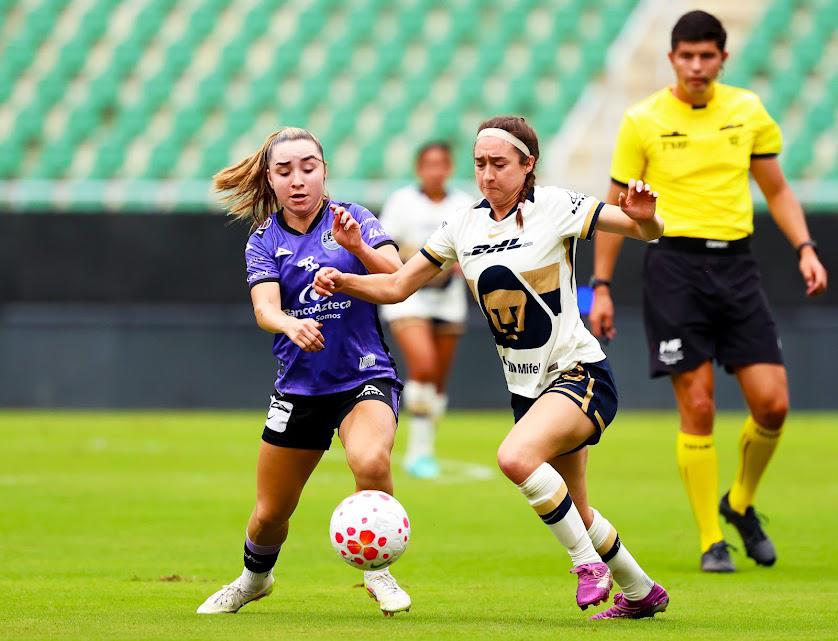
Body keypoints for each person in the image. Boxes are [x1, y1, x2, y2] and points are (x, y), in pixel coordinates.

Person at [314, 116, 670, 620]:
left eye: (499, 164)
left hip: (579, 374)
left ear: (528, 166)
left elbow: (644, 229)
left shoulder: (556, 206)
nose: (486, 174)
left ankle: (588, 565)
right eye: (479, 163)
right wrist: (349, 271)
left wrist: (648, 218)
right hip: (528, 392)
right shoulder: (464, 224)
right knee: (578, 511)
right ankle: (642, 593)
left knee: (514, 458)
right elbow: (398, 287)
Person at [589, 11, 828, 573]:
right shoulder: (642, 119)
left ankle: (739, 502)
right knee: (697, 405)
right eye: (687, 56)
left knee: (773, 403)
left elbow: (778, 188)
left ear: (723, 58)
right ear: (672, 59)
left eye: (707, 56)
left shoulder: (747, 112)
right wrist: (600, 285)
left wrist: (805, 247)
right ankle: (708, 539)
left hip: (737, 267)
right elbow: (615, 206)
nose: (697, 65)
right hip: (673, 268)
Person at [196, 127, 412, 616]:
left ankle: (378, 572)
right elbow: (265, 309)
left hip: (363, 375)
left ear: (324, 171)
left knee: (372, 461)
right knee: (270, 514)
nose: (298, 180)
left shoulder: (353, 218)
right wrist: (290, 325)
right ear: (270, 179)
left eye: (308, 168)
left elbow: (396, 275)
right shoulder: (263, 240)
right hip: (300, 387)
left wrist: (356, 249)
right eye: (285, 170)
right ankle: (254, 579)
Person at [378, 141, 474, 478]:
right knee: (424, 364)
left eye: (442, 164)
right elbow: (385, 247)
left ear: (449, 168)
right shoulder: (402, 202)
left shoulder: (464, 204)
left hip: (449, 300)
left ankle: (425, 448)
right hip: (410, 297)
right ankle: (416, 454)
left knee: (438, 382)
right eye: (428, 164)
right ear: (419, 168)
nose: (435, 170)